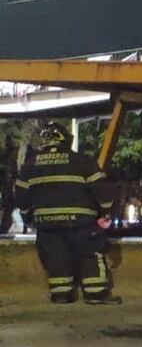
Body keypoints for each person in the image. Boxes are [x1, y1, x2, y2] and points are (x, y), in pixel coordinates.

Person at [15, 122, 120, 304]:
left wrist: (27, 217)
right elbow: (102, 190)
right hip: (81, 224)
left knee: (56, 259)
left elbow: (22, 196)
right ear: (67, 140)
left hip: (47, 226)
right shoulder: (83, 161)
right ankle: (95, 294)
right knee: (90, 255)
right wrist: (106, 211)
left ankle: (62, 294)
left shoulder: (30, 165)